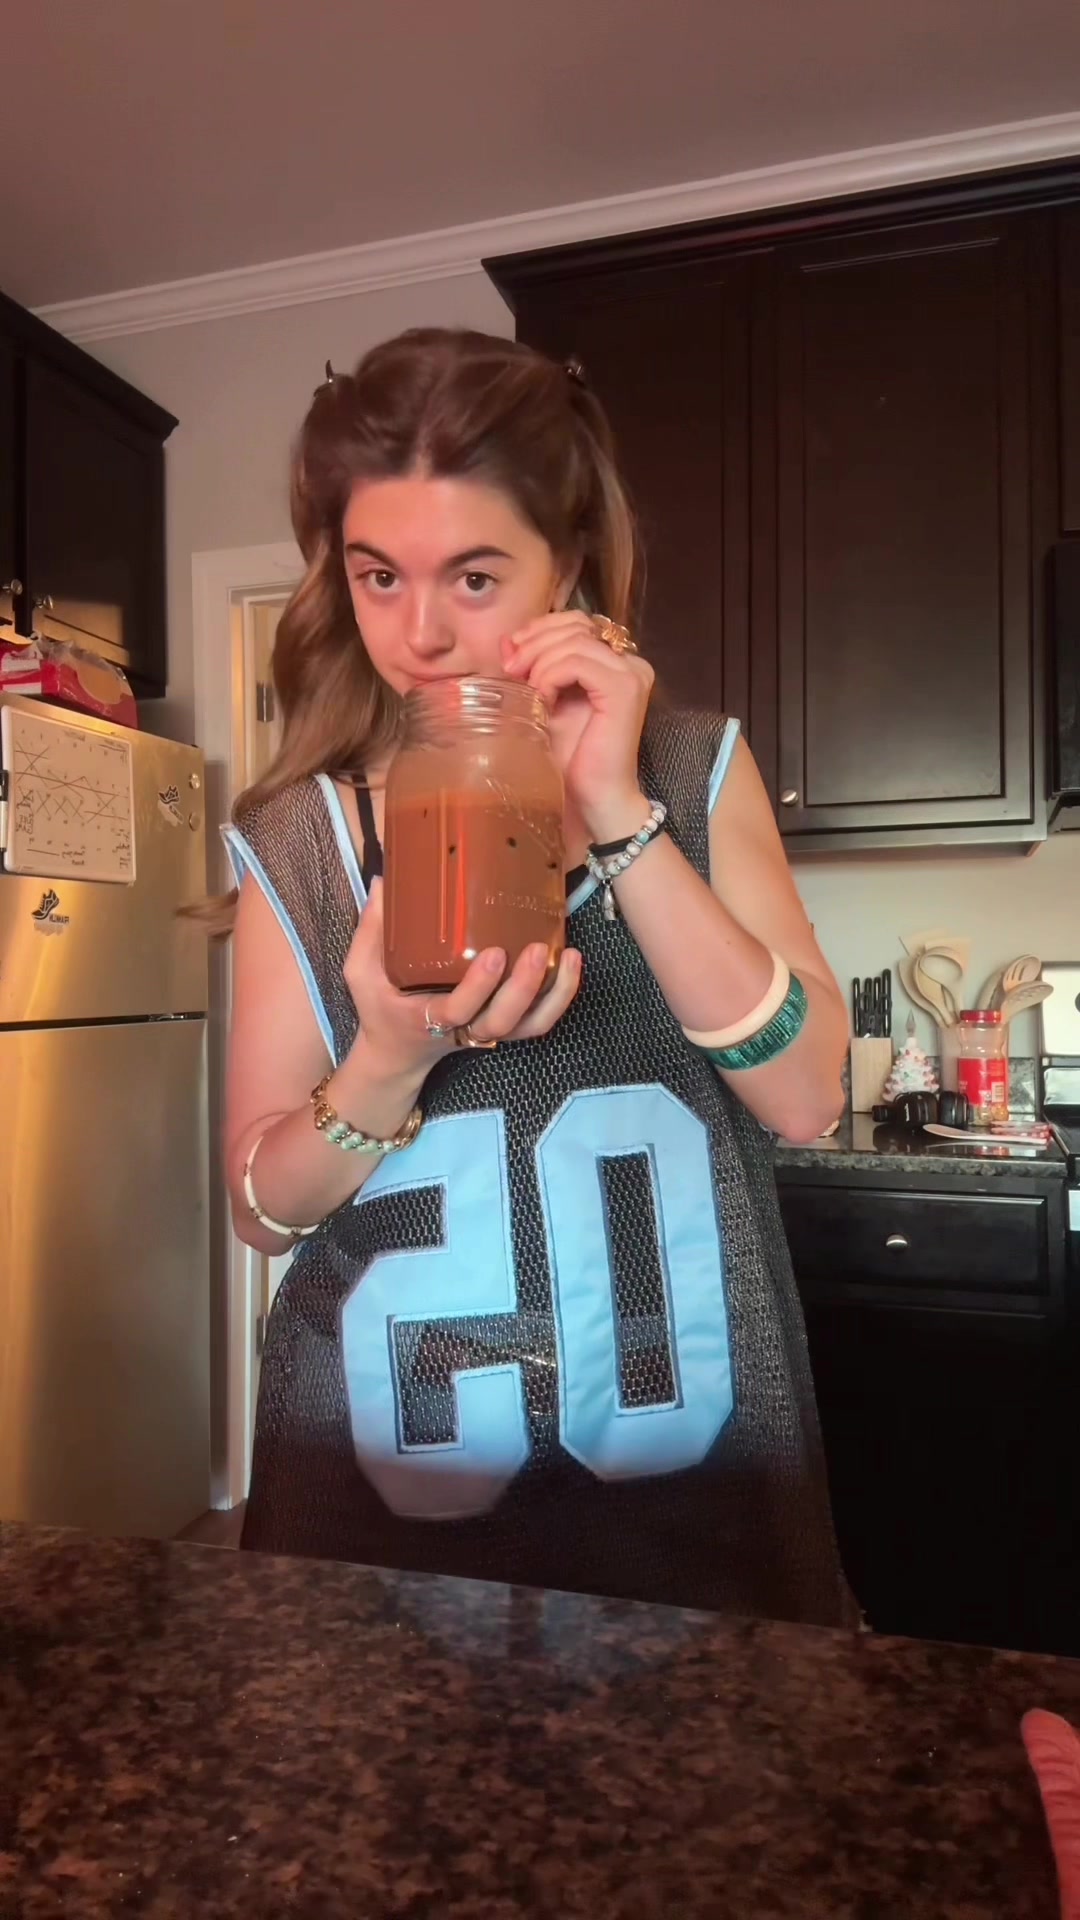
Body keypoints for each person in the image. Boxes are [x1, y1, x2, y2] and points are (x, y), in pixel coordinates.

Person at [223, 327, 853, 1625]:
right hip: (372, 1521)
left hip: (699, 1513)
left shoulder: (692, 771)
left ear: (563, 566)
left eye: (474, 576)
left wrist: (616, 810)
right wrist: (390, 1057)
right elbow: (258, 1213)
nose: (420, 634)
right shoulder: (297, 839)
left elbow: (807, 1098)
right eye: (379, 575)